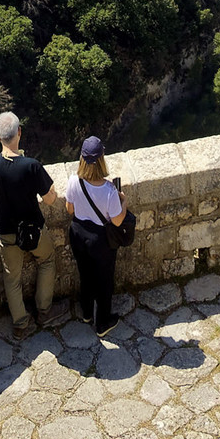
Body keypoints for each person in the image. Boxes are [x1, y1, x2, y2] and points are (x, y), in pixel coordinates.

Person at [0, 110, 59, 338]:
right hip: (33, 231)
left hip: (6, 233)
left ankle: (20, 324)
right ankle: (44, 311)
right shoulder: (31, 166)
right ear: (19, 133)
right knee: (47, 260)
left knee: (12, 277)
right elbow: (50, 198)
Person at [65, 135, 127, 336]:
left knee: (85, 274)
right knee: (104, 281)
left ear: (81, 159)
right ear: (102, 159)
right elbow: (117, 221)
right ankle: (103, 323)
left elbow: (69, 209)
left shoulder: (74, 181)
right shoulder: (109, 191)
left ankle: (86, 313)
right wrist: (123, 202)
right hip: (100, 240)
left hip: (78, 234)